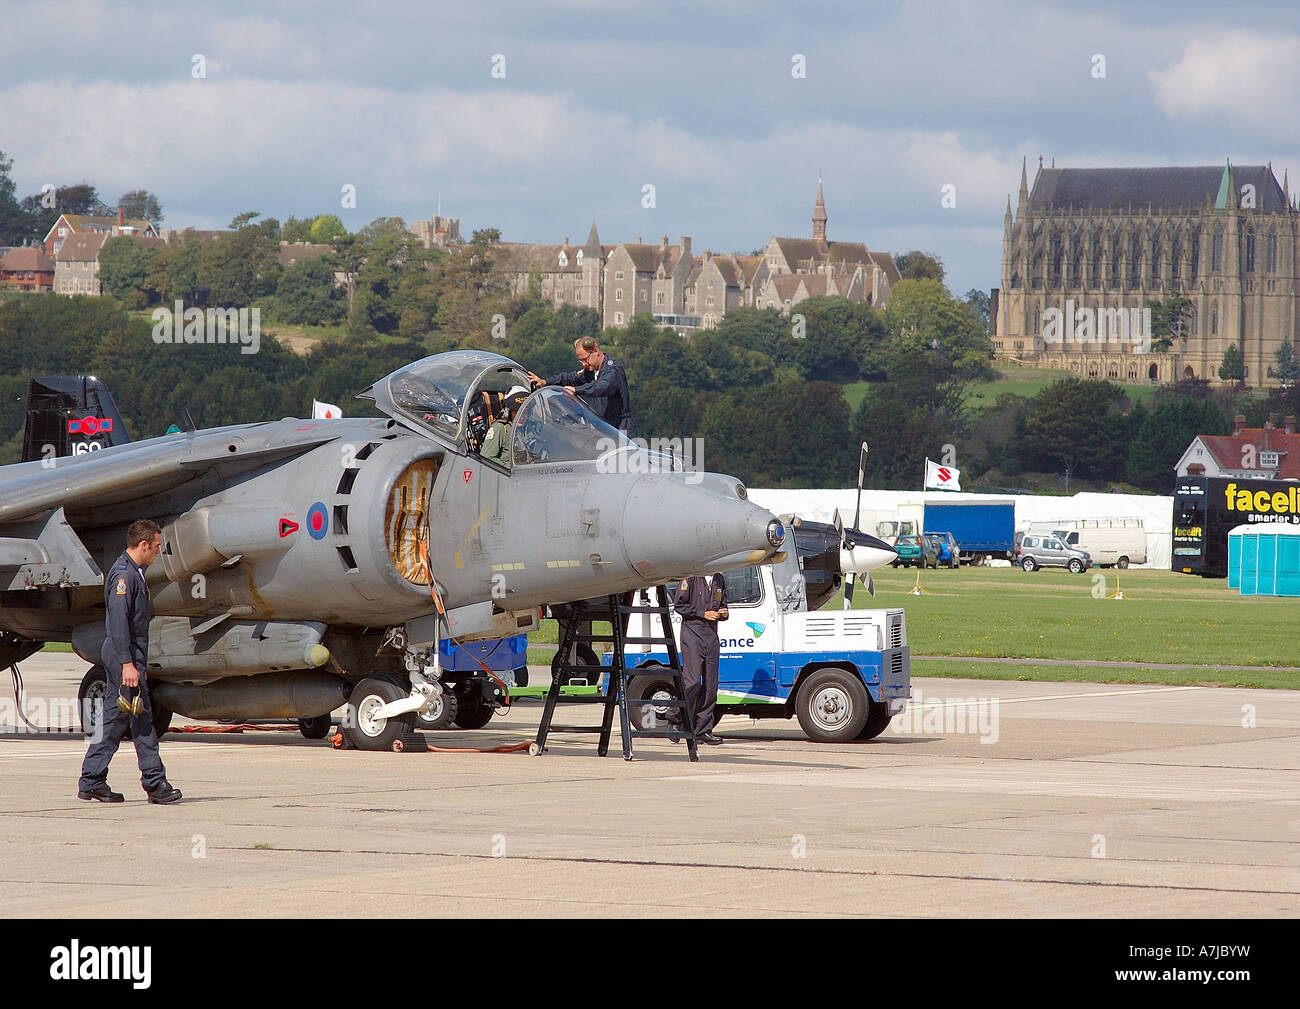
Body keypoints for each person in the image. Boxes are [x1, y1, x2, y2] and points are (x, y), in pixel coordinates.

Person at [78, 519, 182, 804]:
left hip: (128, 658)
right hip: (123, 658)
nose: (159, 552)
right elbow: (119, 624)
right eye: (157, 546)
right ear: (144, 544)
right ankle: (154, 783)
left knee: (119, 720)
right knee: (142, 722)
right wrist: (127, 665)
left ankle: (92, 780)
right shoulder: (125, 576)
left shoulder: (134, 572)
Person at [527, 336, 637, 437]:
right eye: (581, 360)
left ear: (595, 351)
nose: (584, 364)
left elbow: (601, 387)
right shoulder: (591, 371)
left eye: (585, 359)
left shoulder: (613, 371)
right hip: (605, 429)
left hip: (622, 430)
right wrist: (544, 382)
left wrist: (576, 390)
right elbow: (569, 378)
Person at [669, 572, 728, 745]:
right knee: (692, 682)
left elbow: (723, 604)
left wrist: (723, 612)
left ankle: (703, 729)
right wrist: (703, 613)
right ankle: (674, 718)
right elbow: (679, 606)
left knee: (711, 686)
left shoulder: (719, 579)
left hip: (711, 636)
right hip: (692, 635)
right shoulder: (690, 577)